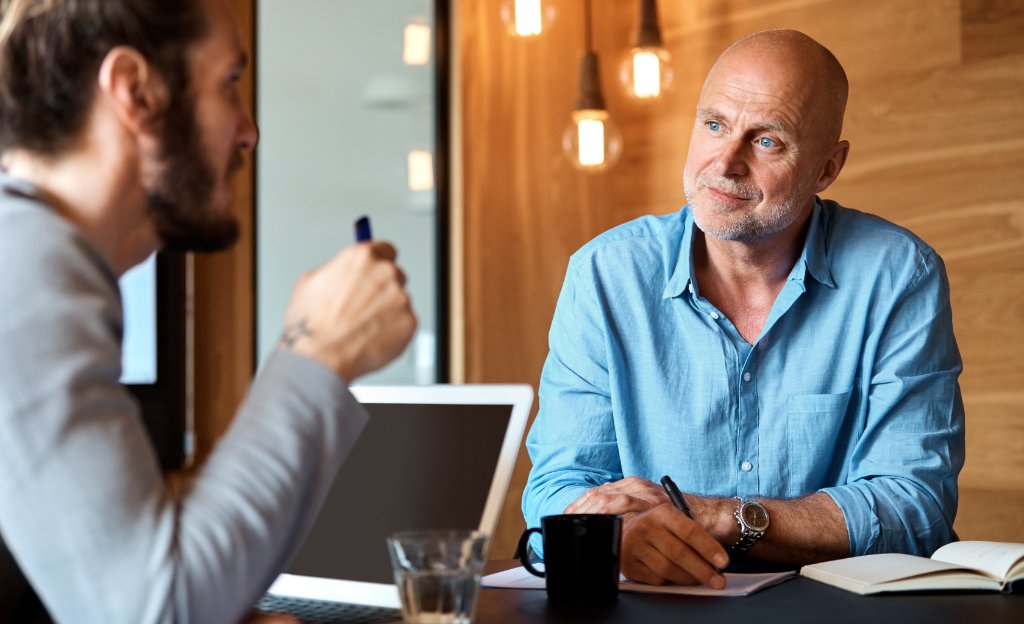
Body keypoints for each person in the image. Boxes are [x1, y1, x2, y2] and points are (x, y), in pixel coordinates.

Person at [0, 0, 416, 622]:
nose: (249, 131)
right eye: (229, 83)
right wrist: (319, 351)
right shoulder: (26, 265)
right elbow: (157, 609)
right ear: (135, 91)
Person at [522, 29, 965, 589]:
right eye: (714, 125)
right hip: (656, 605)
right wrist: (615, 533)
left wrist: (719, 517)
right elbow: (558, 484)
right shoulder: (606, 274)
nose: (726, 162)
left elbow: (915, 506)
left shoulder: (898, 275)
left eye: (767, 141)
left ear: (827, 167)